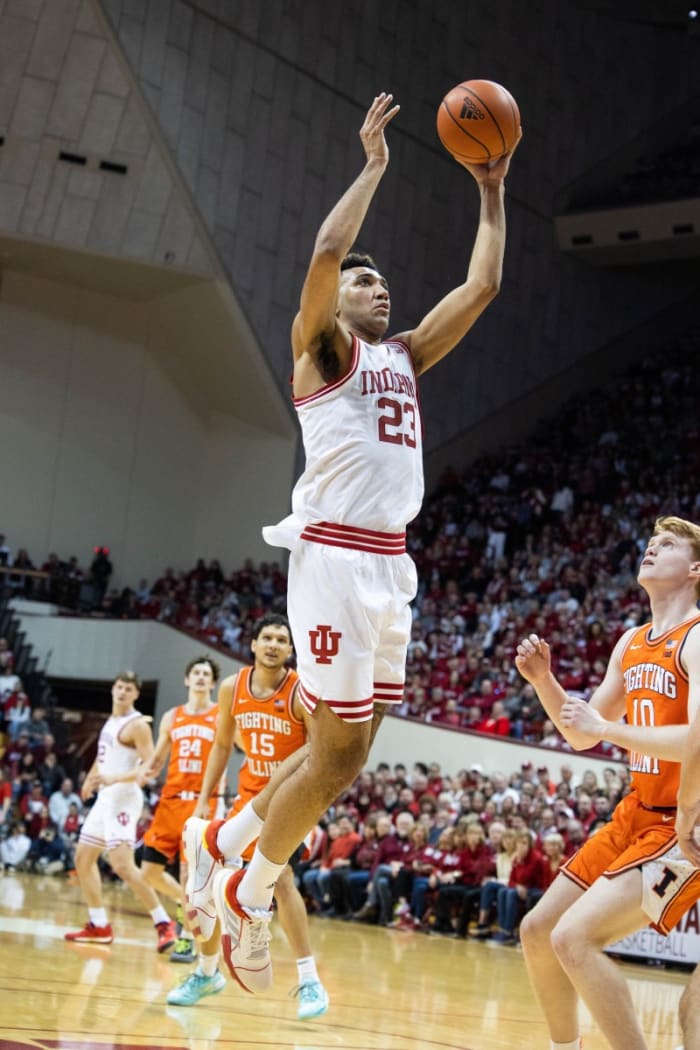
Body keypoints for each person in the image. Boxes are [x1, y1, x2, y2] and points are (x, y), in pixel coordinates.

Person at [184, 90, 518, 994]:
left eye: (382, 285)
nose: (382, 289)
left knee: (351, 754)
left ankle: (231, 839)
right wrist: (374, 166)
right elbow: (328, 253)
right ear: (341, 304)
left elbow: (481, 287)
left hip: (390, 567)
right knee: (331, 757)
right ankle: (247, 897)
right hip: (332, 557)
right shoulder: (321, 353)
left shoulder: (403, 358)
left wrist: (492, 189)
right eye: (371, 284)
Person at [514, 515, 700, 1050]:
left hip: (685, 820)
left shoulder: (696, 637)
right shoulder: (631, 642)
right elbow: (582, 735)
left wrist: (609, 728)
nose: (651, 548)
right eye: (650, 541)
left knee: (574, 938)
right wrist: (544, 682)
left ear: (694, 568)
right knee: (537, 933)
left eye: (667, 544)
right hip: (637, 811)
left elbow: (696, 738)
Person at [179, 614, 330, 1019]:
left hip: (290, 800)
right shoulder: (232, 687)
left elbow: (318, 750)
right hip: (247, 798)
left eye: (282, 639)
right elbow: (222, 747)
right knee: (211, 884)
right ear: (253, 644)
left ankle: (309, 979)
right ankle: (206, 972)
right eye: (267, 637)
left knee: (280, 880)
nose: (274, 644)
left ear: (291, 650)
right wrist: (202, 802)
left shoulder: (302, 690)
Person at [64, 671, 177, 950]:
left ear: (136, 694)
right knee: (83, 859)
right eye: (119, 686)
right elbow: (104, 758)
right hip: (105, 798)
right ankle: (99, 924)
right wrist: (91, 778)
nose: (122, 692)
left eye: (128, 688)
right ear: (112, 689)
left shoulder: (137, 725)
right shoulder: (111, 721)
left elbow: (150, 767)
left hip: (124, 799)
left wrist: (116, 778)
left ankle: (164, 922)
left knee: (123, 866)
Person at [139, 656, 221, 963]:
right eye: (196, 672)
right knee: (149, 872)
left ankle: (187, 937)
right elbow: (158, 757)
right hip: (169, 801)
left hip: (201, 802)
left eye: (206, 674)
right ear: (187, 680)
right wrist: (143, 772)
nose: (200, 677)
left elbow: (241, 747)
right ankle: (183, 905)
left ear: (213, 683)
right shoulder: (172, 716)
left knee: (190, 874)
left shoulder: (221, 715)